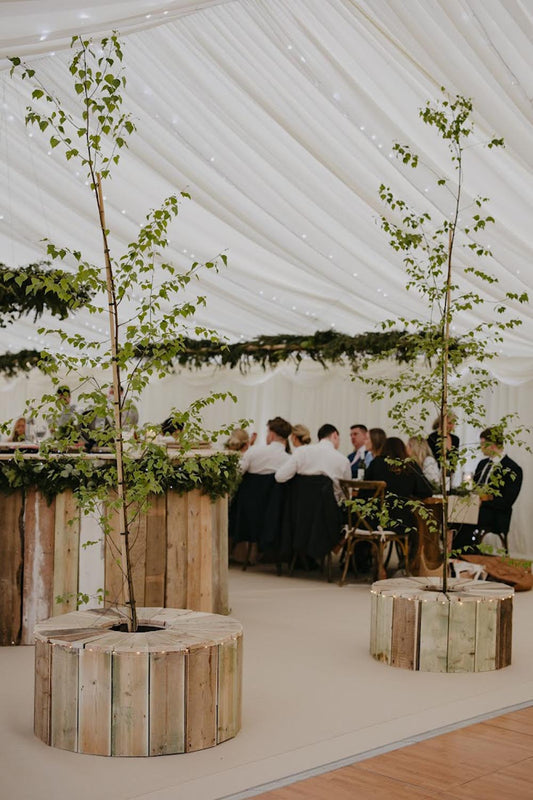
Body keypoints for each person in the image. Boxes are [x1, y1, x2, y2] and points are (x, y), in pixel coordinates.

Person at [366, 436, 432, 534]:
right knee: (415, 523)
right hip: (401, 521)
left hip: (374, 520)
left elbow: (365, 489)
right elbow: (426, 491)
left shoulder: (376, 463)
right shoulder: (409, 465)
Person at [275, 423, 351, 501]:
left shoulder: (301, 452)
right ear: (335, 435)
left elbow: (280, 477)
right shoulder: (343, 460)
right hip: (330, 506)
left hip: (302, 505)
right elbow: (347, 493)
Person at [474, 427, 522, 545]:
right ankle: (457, 550)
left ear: (492, 445)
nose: (481, 447)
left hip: (496, 513)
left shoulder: (512, 469)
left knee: (464, 517)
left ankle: (467, 550)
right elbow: (474, 487)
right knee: (455, 512)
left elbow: (506, 501)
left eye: (483, 444)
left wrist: (483, 501)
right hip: (477, 507)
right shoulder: (482, 464)